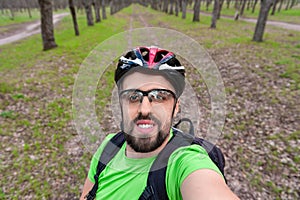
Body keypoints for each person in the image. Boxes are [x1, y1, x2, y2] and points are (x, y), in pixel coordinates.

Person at [80, 46, 240, 200]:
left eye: (160, 96)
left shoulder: (184, 162)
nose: (144, 109)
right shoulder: (109, 146)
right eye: (133, 97)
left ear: (176, 107)